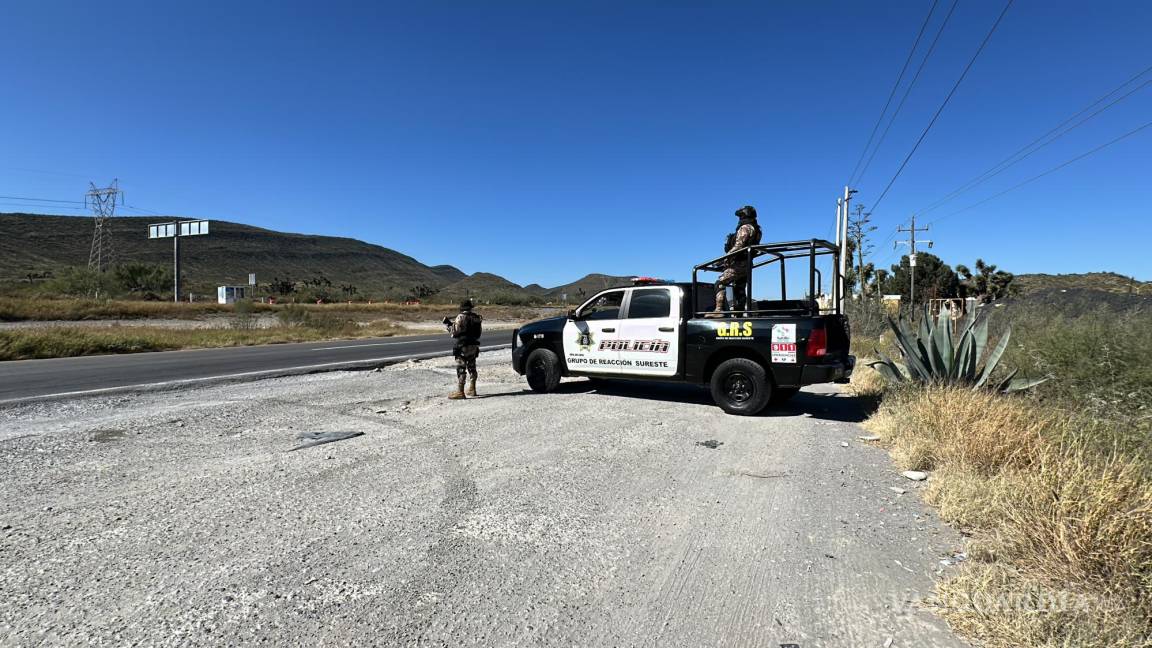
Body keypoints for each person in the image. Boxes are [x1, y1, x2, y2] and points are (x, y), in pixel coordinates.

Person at [711, 205, 762, 315]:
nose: (739, 219)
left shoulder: (745, 228)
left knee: (719, 283)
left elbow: (738, 247)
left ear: (744, 216)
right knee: (739, 289)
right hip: (747, 264)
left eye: (741, 216)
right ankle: (739, 313)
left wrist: (723, 259)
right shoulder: (757, 230)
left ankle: (719, 310)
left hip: (739, 264)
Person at [447, 298, 483, 399]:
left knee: (461, 368)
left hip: (463, 346)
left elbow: (454, 332)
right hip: (473, 345)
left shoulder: (460, 317)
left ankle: (460, 392)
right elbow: (479, 333)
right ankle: (472, 389)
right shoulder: (477, 317)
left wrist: (449, 326)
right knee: (472, 367)